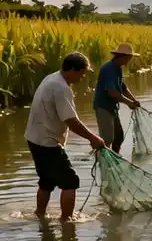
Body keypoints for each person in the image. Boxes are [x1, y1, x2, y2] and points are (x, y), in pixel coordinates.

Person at [25, 52, 105, 222]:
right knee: (70, 181)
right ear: (72, 69)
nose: (82, 77)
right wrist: (93, 138)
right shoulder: (61, 88)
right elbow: (71, 121)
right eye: (82, 73)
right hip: (47, 142)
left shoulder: (52, 78)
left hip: (34, 138)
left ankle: (40, 215)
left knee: (46, 181)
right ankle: (67, 222)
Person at [93, 43, 141, 153]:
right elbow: (112, 92)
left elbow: (123, 87)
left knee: (118, 137)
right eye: (129, 57)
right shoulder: (108, 69)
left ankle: (115, 157)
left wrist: (133, 100)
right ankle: (102, 160)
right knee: (107, 139)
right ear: (122, 56)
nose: (129, 60)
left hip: (112, 107)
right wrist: (129, 103)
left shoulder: (118, 68)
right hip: (103, 107)